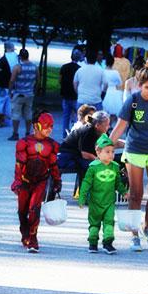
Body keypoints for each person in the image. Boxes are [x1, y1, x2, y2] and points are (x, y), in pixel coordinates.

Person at [110, 62, 148, 251]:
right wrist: (106, 143)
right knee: (136, 194)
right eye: (147, 87)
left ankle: (147, 226)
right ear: (139, 85)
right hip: (135, 149)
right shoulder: (133, 100)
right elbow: (120, 126)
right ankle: (134, 235)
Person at [11, 110, 61, 253]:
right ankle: (24, 233)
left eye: (51, 126)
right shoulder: (24, 143)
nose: (49, 129)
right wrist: (17, 181)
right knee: (22, 211)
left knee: (34, 208)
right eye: (46, 125)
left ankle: (33, 239)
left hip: (41, 180)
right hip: (25, 181)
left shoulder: (52, 145)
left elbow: (53, 165)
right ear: (36, 126)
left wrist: (57, 181)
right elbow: (19, 163)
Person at [78, 133, 128, 254]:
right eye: (107, 152)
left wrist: (123, 192)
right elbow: (86, 183)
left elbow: (118, 182)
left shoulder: (115, 167)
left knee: (109, 222)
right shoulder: (93, 167)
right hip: (95, 202)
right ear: (98, 153)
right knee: (94, 223)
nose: (111, 154)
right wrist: (82, 198)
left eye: (112, 151)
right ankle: (93, 243)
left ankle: (108, 243)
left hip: (109, 202)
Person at [57, 110, 111, 185]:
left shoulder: (102, 130)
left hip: (80, 155)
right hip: (70, 154)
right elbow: (84, 154)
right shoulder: (88, 131)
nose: (109, 127)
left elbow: (111, 141)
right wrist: (99, 160)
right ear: (97, 125)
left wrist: (126, 144)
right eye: (106, 125)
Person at [8, 48, 37, 141]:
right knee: (28, 114)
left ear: (20, 57)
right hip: (30, 94)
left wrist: (10, 91)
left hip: (19, 94)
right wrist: (33, 90)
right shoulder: (34, 67)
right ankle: (28, 133)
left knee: (16, 114)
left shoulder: (17, 67)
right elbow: (38, 80)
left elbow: (12, 80)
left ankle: (15, 133)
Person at [59, 49, 82, 138]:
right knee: (77, 117)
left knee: (66, 116)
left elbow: (60, 80)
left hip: (65, 95)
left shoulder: (64, 67)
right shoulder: (79, 69)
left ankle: (64, 135)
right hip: (75, 96)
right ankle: (74, 135)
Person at [0, 45, 13, 128]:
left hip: (2, 86)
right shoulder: (14, 61)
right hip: (10, 87)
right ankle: (8, 122)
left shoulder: (3, 60)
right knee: (8, 106)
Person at [102, 54, 124, 120]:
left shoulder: (102, 71)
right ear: (113, 62)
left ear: (105, 62)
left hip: (104, 92)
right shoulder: (115, 72)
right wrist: (114, 84)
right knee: (113, 112)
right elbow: (120, 83)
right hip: (114, 91)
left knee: (104, 112)